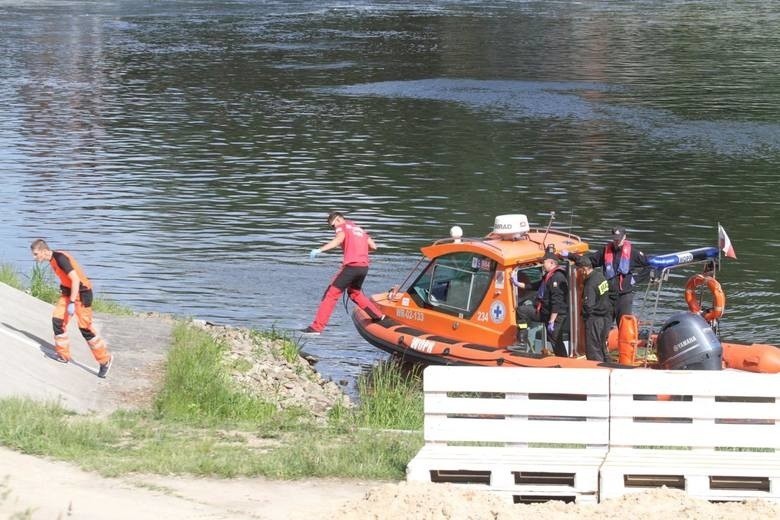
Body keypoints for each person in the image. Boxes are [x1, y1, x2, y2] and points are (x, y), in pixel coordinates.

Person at [30, 239, 113, 378]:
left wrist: (72, 302)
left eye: (35, 254)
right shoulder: (52, 259)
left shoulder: (60, 258)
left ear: (44, 251)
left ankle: (105, 360)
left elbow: (75, 280)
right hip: (69, 293)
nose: (34, 257)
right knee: (57, 320)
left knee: (85, 328)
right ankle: (63, 355)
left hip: (82, 293)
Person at [302, 212, 385, 335]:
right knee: (354, 293)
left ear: (338, 219)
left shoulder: (342, 227)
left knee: (331, 294)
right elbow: (374, 247)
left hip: (351, 266)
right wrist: (358, 249)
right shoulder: (359, 229)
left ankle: (316, 328)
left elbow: (337, 240)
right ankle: (378, 316)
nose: (334, 228)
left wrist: (320, 250)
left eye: (333, 225)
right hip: (364, 267)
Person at [567, 226, 648, 326]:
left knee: (624, 325)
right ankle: (605, 339)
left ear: (625, 237)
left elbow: (648, 265)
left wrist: (635, 279)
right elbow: (589, 262)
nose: (616, 242)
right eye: (615, 239)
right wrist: (571, 256)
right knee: (604, 324)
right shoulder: (605, 251)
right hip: (608, 295)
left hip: (624, 296)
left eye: (619, 239)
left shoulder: (634, 253)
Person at [511, 251, 569, 357]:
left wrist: (552, 321)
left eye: (544, 262)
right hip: (544, 311)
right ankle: (522, 341)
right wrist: (518, 284)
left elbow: (557, 302)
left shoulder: (557, 278)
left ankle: (563, 360)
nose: (543, 264)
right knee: (522, 311)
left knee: (555, 339)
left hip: (555, 315)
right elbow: (536, 285)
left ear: (552, 263)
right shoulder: (548, 276)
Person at [577, 255, 612, 362]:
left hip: (594, 319)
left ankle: (597, 371)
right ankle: (608, 366)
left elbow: (589, 305)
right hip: (606, 316)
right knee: (602, 347)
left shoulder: (590, 284)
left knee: (593, 349)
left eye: (579, 270)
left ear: (584, 269)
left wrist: (585, 316)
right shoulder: (600, 276)